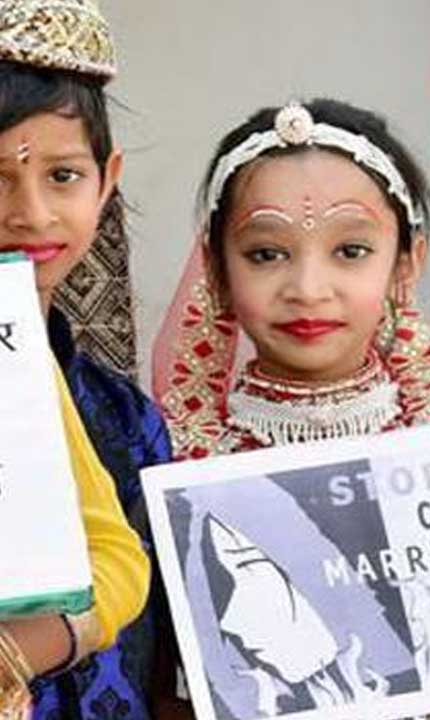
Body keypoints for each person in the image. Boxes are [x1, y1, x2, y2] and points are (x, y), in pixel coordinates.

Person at [151, 99, 430, 720]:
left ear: (406, 264)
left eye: (351, 251)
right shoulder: (174, 463)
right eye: (266, 254)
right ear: (217, 272)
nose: (308, 289)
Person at [0, 2, 159, 717]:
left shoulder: (119, 416)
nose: (31, 213)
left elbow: (121, 560)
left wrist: (23, 650)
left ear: (107, 176)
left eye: (62, 175)